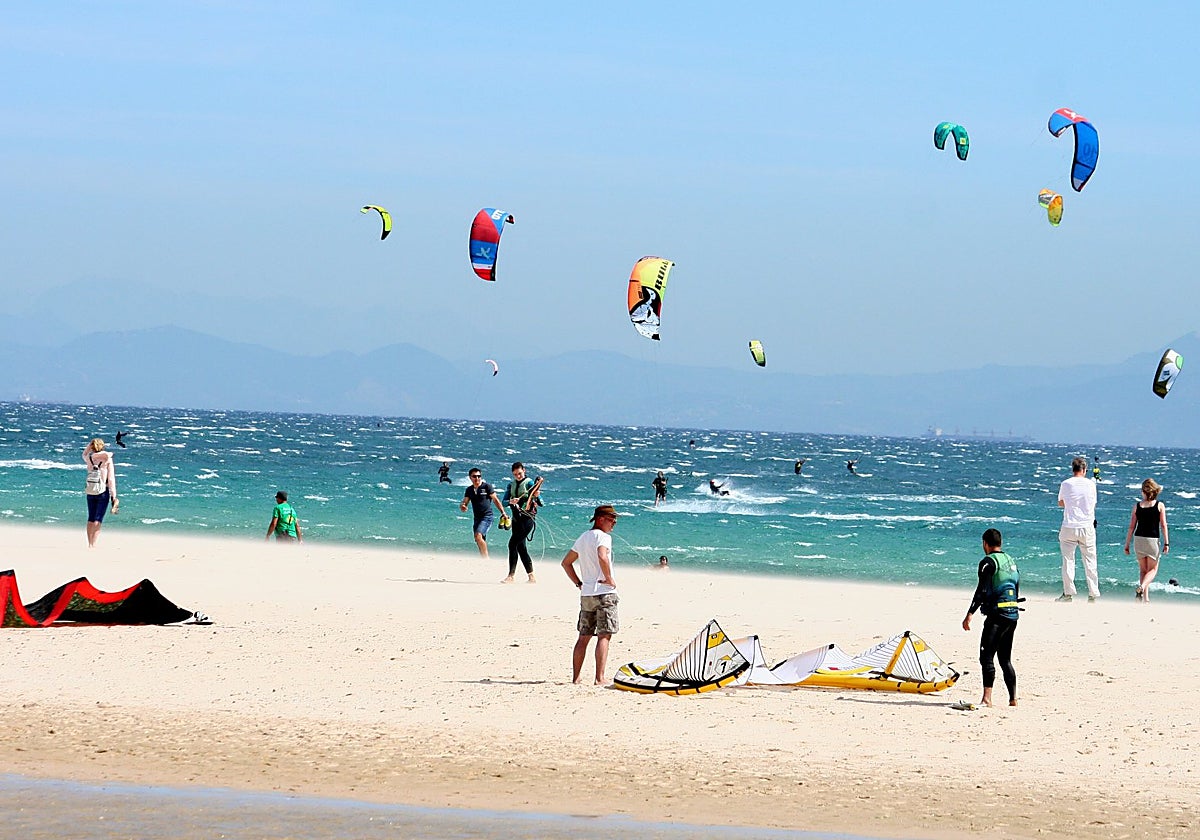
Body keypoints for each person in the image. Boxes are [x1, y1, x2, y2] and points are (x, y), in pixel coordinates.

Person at [560, 505, 620, 685]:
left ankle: (576, 677)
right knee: (604, 635)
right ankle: (599, 678)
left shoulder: (583, 537)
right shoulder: (604, 537)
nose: (614, 523)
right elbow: (602, 556)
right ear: (600, 519)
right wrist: (609, 578)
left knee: (584, 636)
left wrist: (579, 583)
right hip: (604, 593)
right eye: (611, 519)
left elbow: (566, 563)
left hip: (587, 594)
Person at [962, 528, 1019, 708]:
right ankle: (1013, 699)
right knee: (1005, 659)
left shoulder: (988, 562)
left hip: (996, 616)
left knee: (986, 657)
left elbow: (982, 590)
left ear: (985, 543)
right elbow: (1016, 587)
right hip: (1012, 614)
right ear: (1000, 543)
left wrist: (970, 613)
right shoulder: (1010, 561)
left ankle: (987, 699)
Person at [1057, 456, 1098, 602]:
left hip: (1069, 525)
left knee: (1068, 560)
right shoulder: (1091, 484)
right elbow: (1093, 503)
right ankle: (1093, 593)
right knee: (1090, 561)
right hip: (1087, 526)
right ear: (1084, 469)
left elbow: (1060, 502)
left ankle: (1068, 593)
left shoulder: (1066, 483)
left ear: (1073, 469)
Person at [1123, 478, 1169, 602]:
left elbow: (1131, 527)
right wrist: (1166, 543)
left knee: (1143, 570)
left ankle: (1145, 598)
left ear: (1144, 491)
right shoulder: (1160, 505)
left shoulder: (1137, 506)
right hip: (1152, 540)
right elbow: (1163, 525)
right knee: (1152, 570)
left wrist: (1127, 544)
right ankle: (1142, 587)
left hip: (1138, 540)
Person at [502, 462, 541, 583]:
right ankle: (531, 576)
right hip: (516, 520)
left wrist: (536, 496)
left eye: (519, 473)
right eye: (515, 474)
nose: (518, 476)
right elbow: (503, 502)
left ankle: (511, 576)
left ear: (524, 470)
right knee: (521, 547)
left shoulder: (530, 483)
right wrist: (510, 501)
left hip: (527, 520)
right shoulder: (511, 485)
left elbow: (541, 503)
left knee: (512, 544)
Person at [460, 468, 505, 558]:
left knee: (478, 535)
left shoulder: (487, 487)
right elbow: (465, 502)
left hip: (487, 516)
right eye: (474, 476)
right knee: (478, 539)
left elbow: (495, 500)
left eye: (479, 476)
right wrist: (463, 506)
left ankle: (486, 559)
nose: (477, 478)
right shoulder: (469, 490)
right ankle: (483, 559)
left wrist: (503, 513)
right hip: (477, 518)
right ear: (470, 477)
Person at [83, 438, 119, 547]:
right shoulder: (107, 459)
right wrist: (114, 496)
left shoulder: (89, 458)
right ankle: (93, 544)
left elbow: (84, 454)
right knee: (98, 519)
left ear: (92, 447)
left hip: (91, 490)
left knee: (91, 518)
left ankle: (89, 543)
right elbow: (111, 478)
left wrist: (89, 446)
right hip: (103, 491)